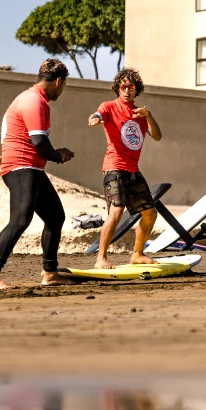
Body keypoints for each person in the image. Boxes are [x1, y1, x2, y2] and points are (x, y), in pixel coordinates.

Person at [0, 59, 77, 289]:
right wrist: (57, 155)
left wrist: (53, 153)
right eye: (63, 85)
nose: (62, 90)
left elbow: (38, 142)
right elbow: (38, 142)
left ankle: (50, 273)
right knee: (20, 219)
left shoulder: (36, 99)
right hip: (21, 167)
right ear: (57, 81)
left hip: (31, 168)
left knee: (55, 217)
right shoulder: (34, 100)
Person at [88, 68, 163, 270]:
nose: (127, 90)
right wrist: (95, 117)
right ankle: (100, 258)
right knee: (117, 210)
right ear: (117, 88)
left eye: (132, 87)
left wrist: (148, 115)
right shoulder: (110, 107)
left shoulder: (140, 114)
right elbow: (99, 113)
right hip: (114, 168)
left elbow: (157, 136)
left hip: (133, 170)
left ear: (136, 90)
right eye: (124, 86)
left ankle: (137, 254)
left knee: (150, 213)